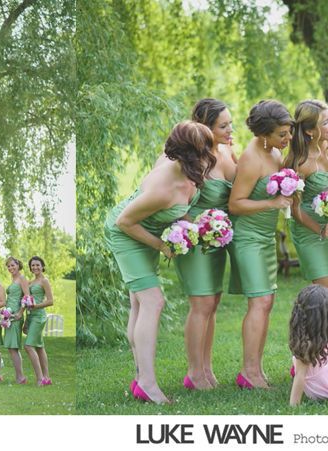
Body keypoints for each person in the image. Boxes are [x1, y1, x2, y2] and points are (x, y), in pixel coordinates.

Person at [105, 121, 216, 403]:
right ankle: (148, 383)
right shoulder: (163, 187)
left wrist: (199, 226)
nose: (209, 155)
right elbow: (124, 222)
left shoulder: (189, 172)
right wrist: (162, 246)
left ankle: (140, 376)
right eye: (204, 149)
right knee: (153, 301)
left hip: (147, 230)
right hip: (128, 235)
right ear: (190, 153)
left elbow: (178, 212)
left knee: (139, 303)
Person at [171, 99, 238, 390]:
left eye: (230, 123)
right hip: (194, 238)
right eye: (223, 125)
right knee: (200, 304)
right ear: (205, 128)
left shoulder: (227, 153)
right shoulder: (189, 158)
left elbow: (242, 188)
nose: (230, 129)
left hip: (216, 240)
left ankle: (207, 369)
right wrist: (196, 227)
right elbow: (173, 199)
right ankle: (194, 372)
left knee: (213, 303)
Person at [228, 99, 293, 389]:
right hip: (249, 238)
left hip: (266, 237)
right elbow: (235, 204)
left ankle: (256, 369)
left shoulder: (275, 152)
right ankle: (248, 372)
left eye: (288, 131)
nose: (287, 138)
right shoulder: (251, 158)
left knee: (267, 303)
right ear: (263, 134)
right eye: (282, 133)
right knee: (260, 301)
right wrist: (273, 202)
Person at [284, 99, 328, 303]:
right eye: (325, 122)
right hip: (309, 229)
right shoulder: (299, 162)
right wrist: (320, 230)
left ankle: (320, 332)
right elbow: (294, 209)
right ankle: (318, 333)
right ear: (310, 131)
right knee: (326, 293)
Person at [24, 256, 54, 386]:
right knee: (39, 346)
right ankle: (47, 377)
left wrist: (35, 306)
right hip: (30, 316)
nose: (35, 267)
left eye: (37, 265)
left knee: (28, 346)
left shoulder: (44, 281)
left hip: (39, 316)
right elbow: (26, 302)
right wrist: (26, 320)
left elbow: (50, 301)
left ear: (42, 266)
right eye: (32, 265)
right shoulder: (30, 283)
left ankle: (39, 378)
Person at [4, 257, 30, 384]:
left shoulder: (22, 278)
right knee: (10, 347)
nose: (11, 268)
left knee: (14, 346)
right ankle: (19, 376)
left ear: (18, 265)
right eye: (8, 266)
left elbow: (27, 297)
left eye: (12, 265)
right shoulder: (13, 279)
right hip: (9, 315)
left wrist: (20, 312)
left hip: (16, 315)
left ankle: (21, 377)